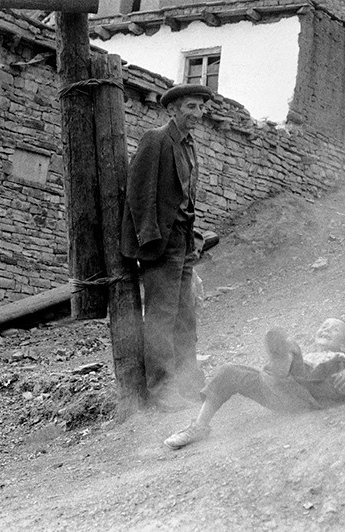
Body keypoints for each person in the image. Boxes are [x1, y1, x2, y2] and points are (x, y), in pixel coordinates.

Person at [163, 318, 345, 449]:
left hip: (310, 392)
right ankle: (199, 426)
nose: (326, 328)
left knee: (305, 361)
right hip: (278, 389)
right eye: (323, 326)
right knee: (230, 371)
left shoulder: (341, 356)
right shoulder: (311, 352)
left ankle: (282, 358)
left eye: (334, 329)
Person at [120, 84, 214, 412]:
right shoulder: (156, 139)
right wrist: (151, 238)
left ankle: (188, 384)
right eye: (191, 107)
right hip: (162, 242)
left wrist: (194, 238)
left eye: (201, 108)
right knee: (161, 316)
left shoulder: (189, 147)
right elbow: (138, 191)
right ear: (173, 109)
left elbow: (186, 197)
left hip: (184, 241)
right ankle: (161, 389)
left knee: (185, 316)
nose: (198, 114)